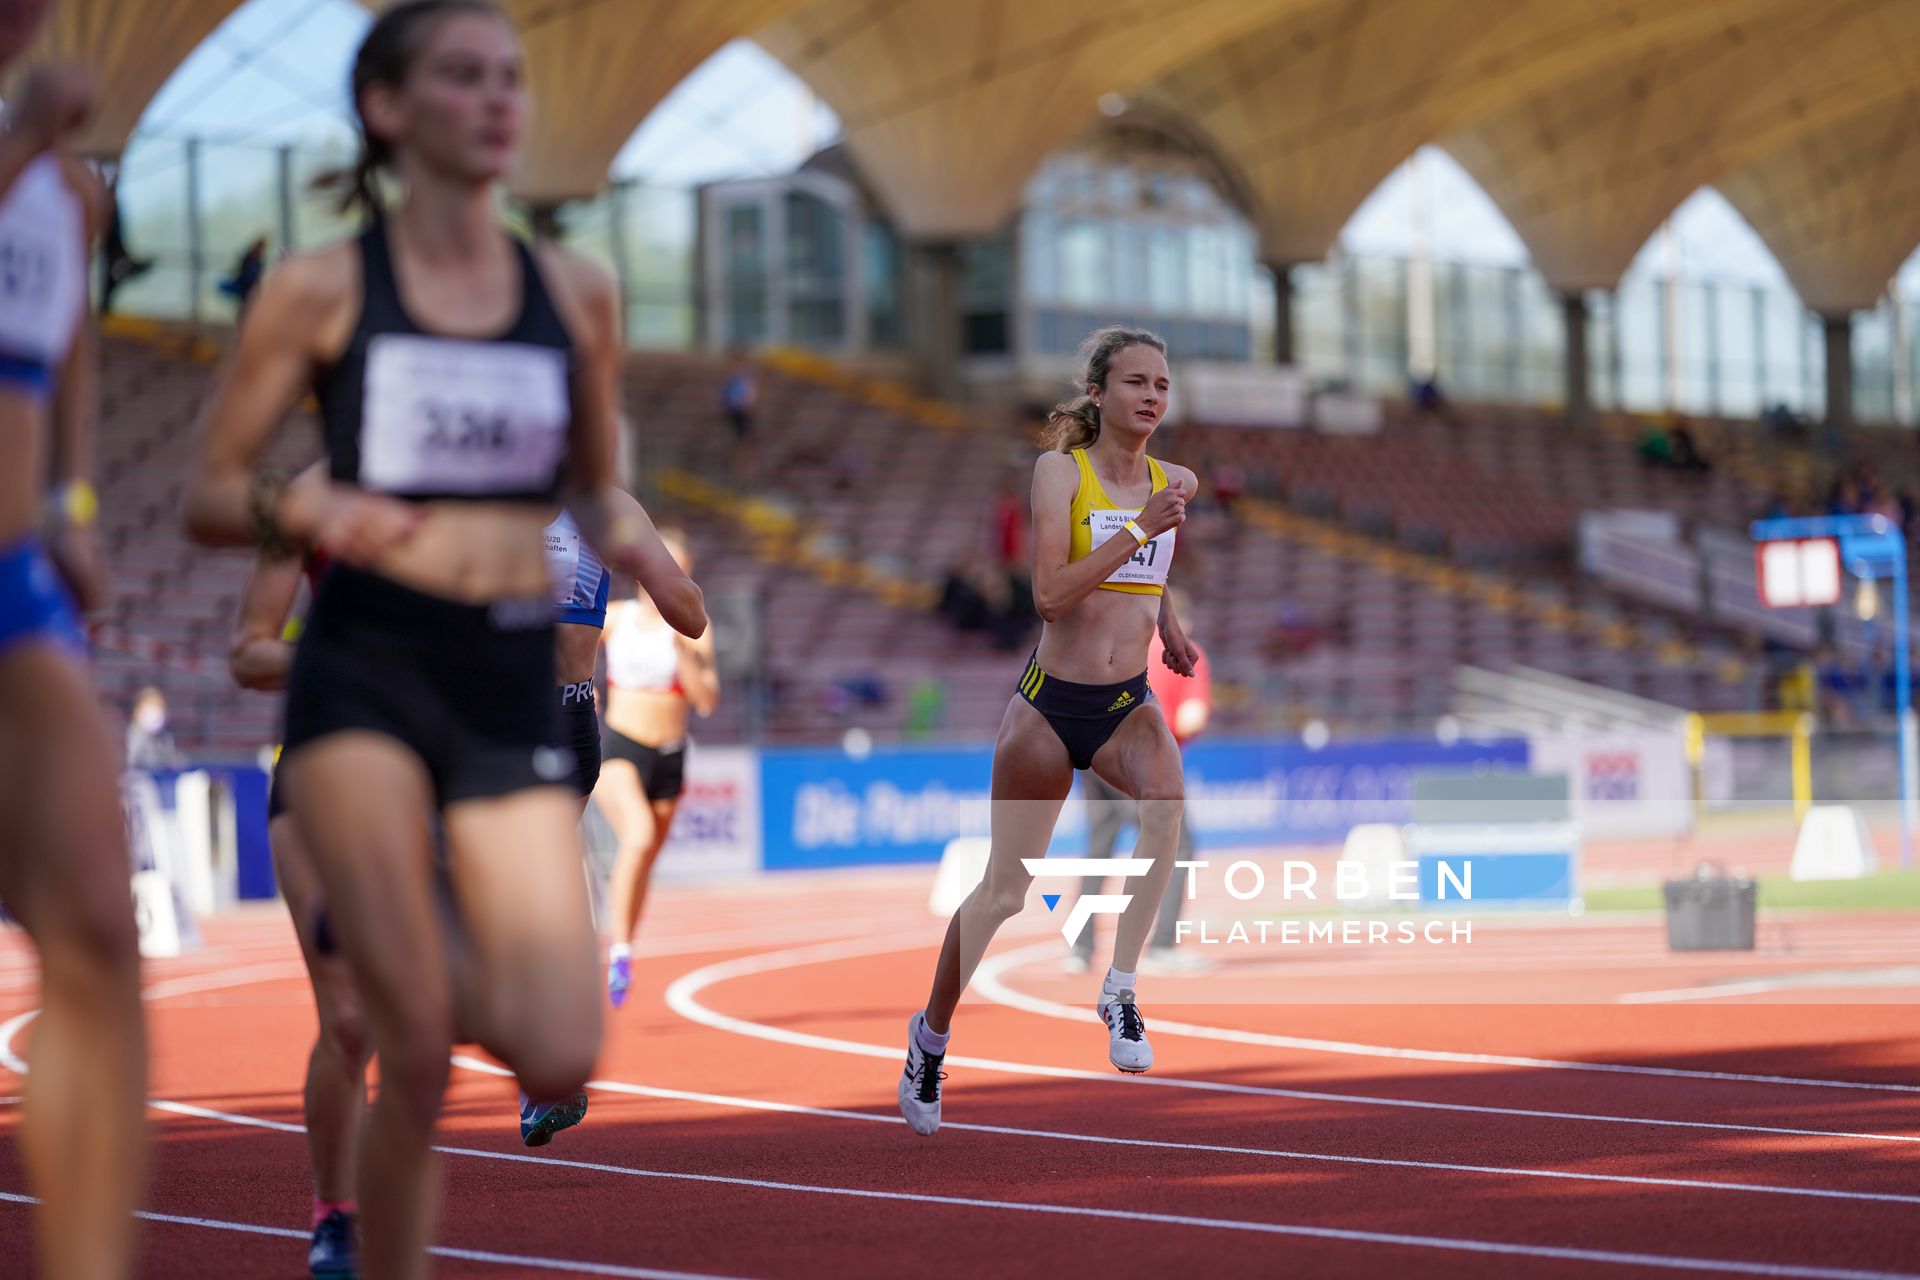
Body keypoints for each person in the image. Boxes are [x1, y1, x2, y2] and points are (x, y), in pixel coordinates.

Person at [182, 4, 707, 1276]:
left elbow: (590, 479)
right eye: (462, 76)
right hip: (366, 668)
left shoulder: (578, 291)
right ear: (387, 107)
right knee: (394, 1038)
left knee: (558, 1041)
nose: (498, 99)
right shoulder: (324, 285)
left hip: (507, 690)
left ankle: (407, 940)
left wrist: (629, 544)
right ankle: (348, 1225)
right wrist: (308, 504)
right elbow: (211, 489)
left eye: (509, 78)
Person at [898, 324, 1198, 1137]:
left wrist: (1165, 623)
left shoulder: (1176, 481)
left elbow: (1145, 575)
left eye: (1162, 386)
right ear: (1098, 394)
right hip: (1046, 707)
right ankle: (930, 1037)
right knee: (1005, 890)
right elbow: (1051, 597)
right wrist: (1143, 529)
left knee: (1167, 804)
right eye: (1135, 382)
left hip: (1126, 705)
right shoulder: (1058, 474)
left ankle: (1122, 987)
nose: (1151, 396)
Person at [0, 18, 149, 1277]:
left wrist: (77, 504)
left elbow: (74, 356)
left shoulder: (67, 190)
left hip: (16, 588)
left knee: (100, 926)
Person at [227, 517, 367, 1280]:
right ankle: (335, 1217)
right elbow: (248, 651)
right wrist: (343, 657)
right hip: (317, 767)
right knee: (346, 1019)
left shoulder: (473, 495)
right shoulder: (312, 502)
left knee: (419, 1025)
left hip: (428, 773)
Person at [598, 526, 718, 1008]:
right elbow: (568, 647)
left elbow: (706, 701)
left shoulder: (694, 627)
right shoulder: (616, 618)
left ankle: (625, 946)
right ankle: (618, 948)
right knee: (639, 836)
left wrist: (682, 651)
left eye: (682, 568)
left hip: (670, 754)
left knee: (645, 858)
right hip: (622, 746)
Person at [1067, 603, 1212, 976]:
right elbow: (1189, 718)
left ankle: (1080, 950)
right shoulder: (1184, 652)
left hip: (1093, 753)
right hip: (1143, 761)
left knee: (1099, 849)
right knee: (1177, 847)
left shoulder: (1116, 645)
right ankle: (1161, 946)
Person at [124, 684, 186, 771]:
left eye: (159, 706)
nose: (156, 711)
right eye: (151, 705)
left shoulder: (165, 737)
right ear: (138, 710)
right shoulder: (129, 737)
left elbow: (173, 760)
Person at [219, 236, 270, 317]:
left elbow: (255, 274)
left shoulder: (257, 259)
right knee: (247, 306)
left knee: (249, 306)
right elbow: (244, 271)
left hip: (250, 286)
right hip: (246, 286)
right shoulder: (251, 257)